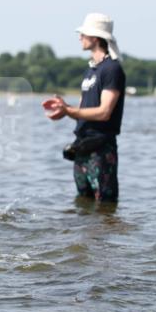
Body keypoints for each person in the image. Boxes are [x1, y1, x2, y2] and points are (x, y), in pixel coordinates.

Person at [44, 13, 125, 202]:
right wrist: (63, 111)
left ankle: (105, 233)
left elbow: (104, 112)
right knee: (83, 204)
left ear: (95, 38)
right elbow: (83, 108)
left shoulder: (112, 69)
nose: (79, 37)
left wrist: (68, 110)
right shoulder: (90, 70)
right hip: (82, 146)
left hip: (101, 148)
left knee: (105, 204)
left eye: (83, 34)